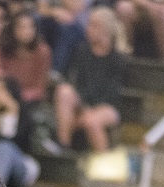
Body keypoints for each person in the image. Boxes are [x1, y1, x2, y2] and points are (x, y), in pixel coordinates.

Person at [52, 5, 125, 152]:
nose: (88, 29)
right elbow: (74, 81)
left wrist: (90, 109)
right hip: (84, 102)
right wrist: (84, 106)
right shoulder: (81, 51)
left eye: (93, 25)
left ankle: (105, 168)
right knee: (64, 91)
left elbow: (111, 92)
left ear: (105, 30)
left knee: (92, 121)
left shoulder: (117, 59)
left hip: (108, 106)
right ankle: (63, 147)